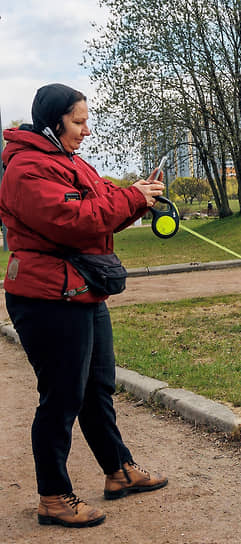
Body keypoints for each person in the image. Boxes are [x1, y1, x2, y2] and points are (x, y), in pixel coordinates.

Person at [0, 83, 169, 528]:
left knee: (97, 387)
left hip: (82, 290)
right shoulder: (27, 170)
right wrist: (128, 198)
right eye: (78, 121)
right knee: (61, 398)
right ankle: (53, 496)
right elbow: (75, 221)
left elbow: (104, 206)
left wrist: (140, 197)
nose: (86, 130)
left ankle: (118, 470)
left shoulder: (69, 161)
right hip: (46, 298)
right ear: (54, 122)